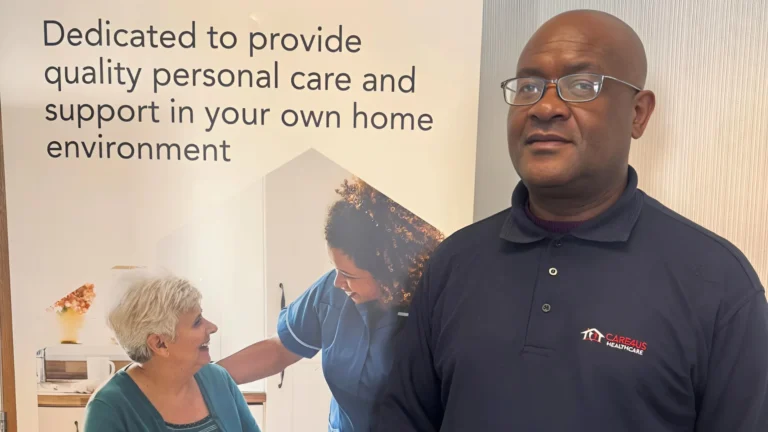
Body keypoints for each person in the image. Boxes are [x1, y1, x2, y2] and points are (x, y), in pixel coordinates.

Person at [371, 9, 768, 432]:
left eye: (581, 85)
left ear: (638, 113)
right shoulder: (454, 261)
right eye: (528, 87)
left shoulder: (716, 281)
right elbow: (402, 419)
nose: (544, 107)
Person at [216, 177, 444, 432]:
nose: (338, 282)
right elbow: (280, 350)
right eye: (336, 269)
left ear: (388, 273)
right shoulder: (332, 292)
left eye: (349, 275)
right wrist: (204, 377)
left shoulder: (432, 307)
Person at [83, 270, 261, 432]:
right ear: (160, 344)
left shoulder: (219, 379)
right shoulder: (109, 407)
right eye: (197, 322)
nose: (212, 327)